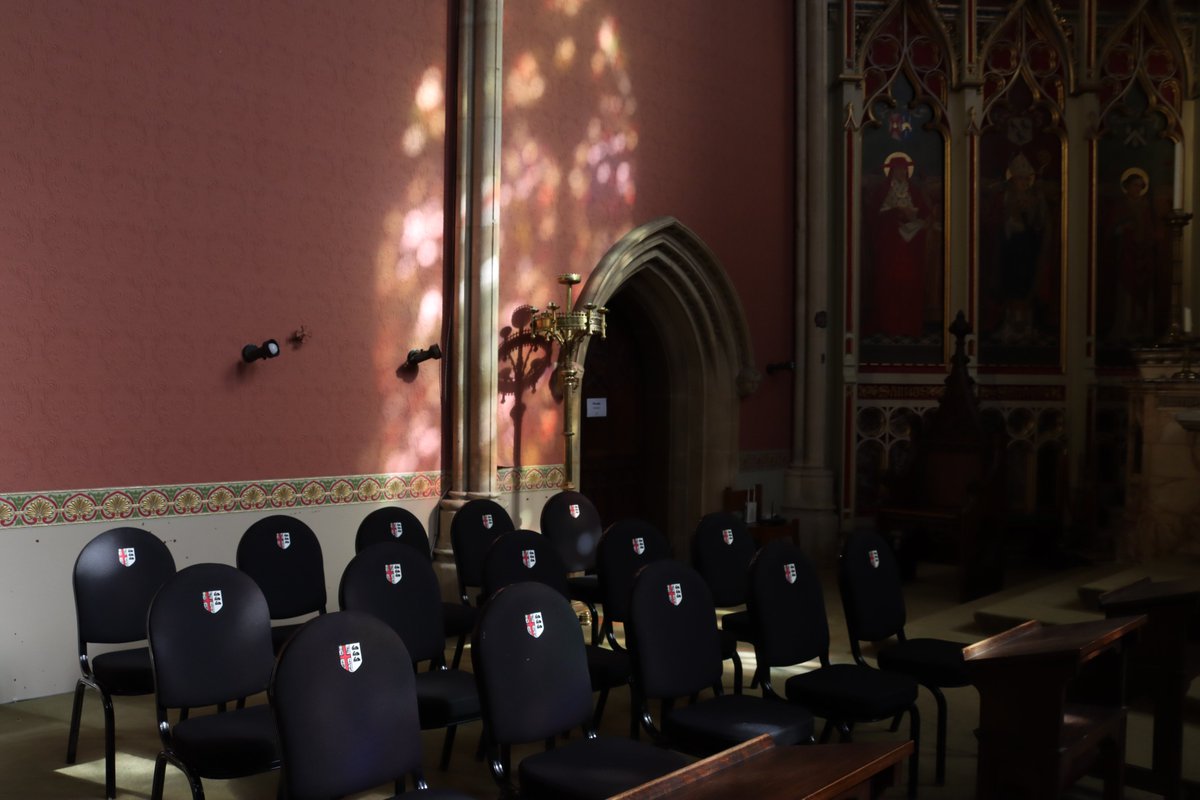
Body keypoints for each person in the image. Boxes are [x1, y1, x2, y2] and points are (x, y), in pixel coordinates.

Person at [864, 152, 935, 338]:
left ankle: (907, 325)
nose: (901, 172)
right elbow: (873, 217)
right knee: (890, 282)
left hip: (910, 247)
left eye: (904, 169)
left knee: (908, 283)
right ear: (892, 171)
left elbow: (926, 212)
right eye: (898, 169)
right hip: (890, 245)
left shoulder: (914, 191)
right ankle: (888, 324)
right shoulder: (882, 190)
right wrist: (895, 213)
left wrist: (918, 218)